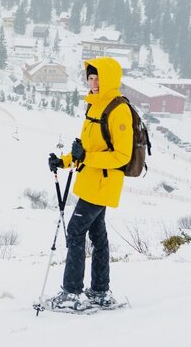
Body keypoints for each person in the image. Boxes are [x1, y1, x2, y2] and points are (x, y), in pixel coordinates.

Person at [45, 56, 133, 312]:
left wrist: (86, 157)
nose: (94, 83)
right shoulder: (94, 106)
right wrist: (64, 161)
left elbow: (122, 156)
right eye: (91, 78)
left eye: (98, 78)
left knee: (75, 231)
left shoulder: (119, 110)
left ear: (110, 79)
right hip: (90, 182)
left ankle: (71, 294)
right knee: (97, 236)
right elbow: (86, 149)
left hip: (103, 184)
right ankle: (99, 292)